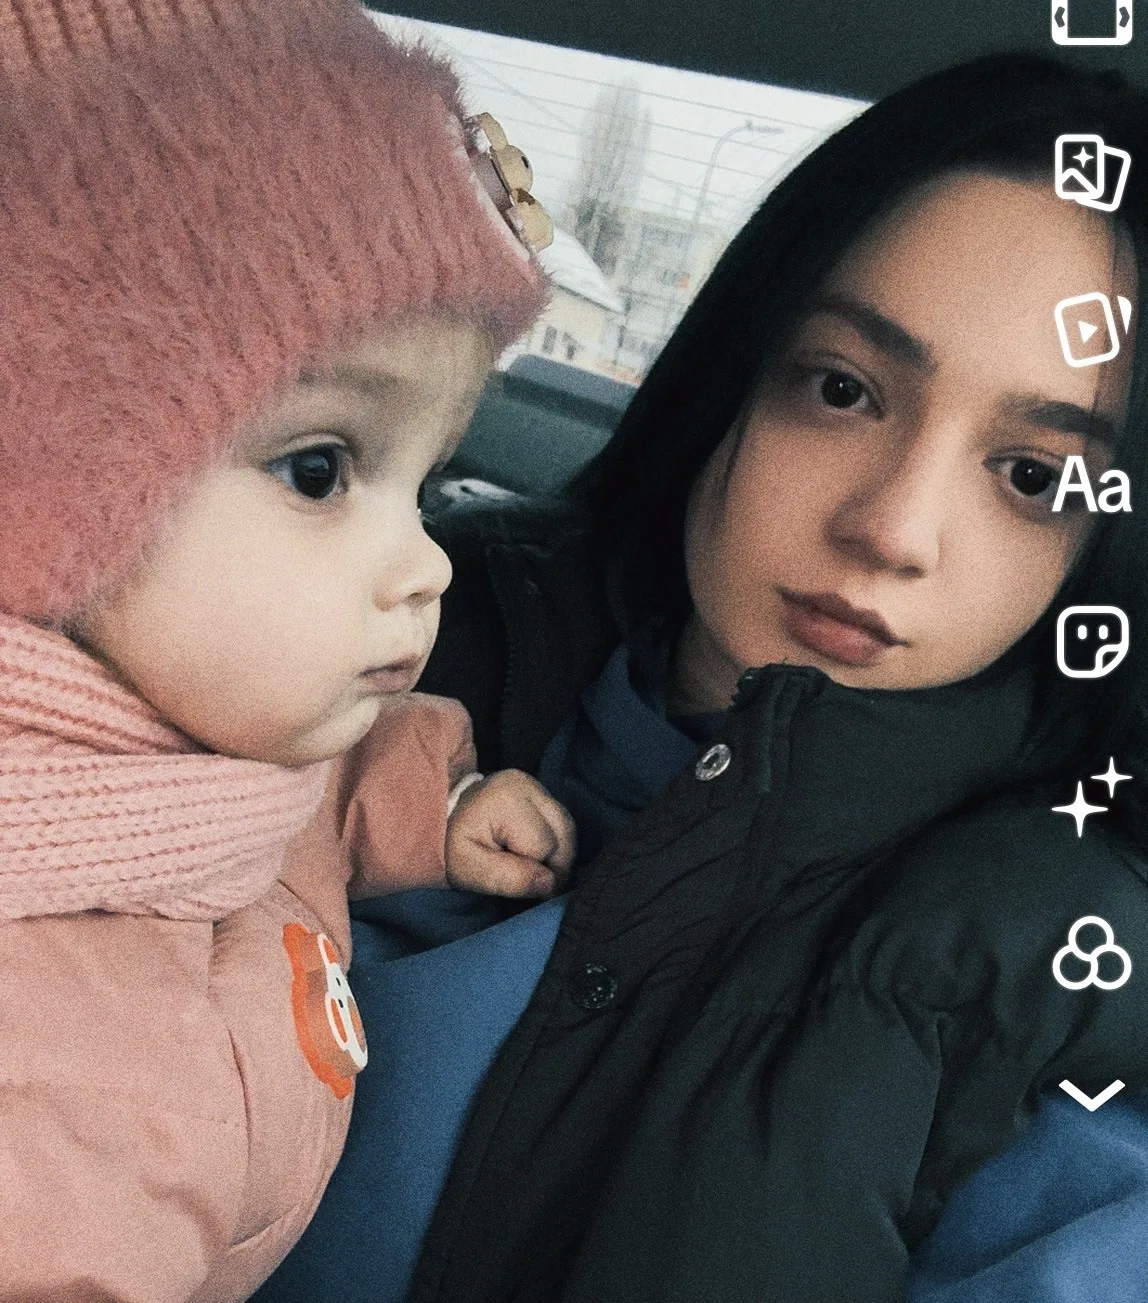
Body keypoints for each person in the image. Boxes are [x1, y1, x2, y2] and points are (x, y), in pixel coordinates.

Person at [261, 51, 1148, 1303]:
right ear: (735, 368)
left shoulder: (1049, 981)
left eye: (1031, 477)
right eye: (841, 390)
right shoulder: (383, 624)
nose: (891, 529)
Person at [0, 2, 576, 1299]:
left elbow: (292, 784)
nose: (427, 560)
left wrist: (432, 802)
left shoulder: (201, 715)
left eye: (431, 477)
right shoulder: (44, 1079)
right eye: (321, 469)